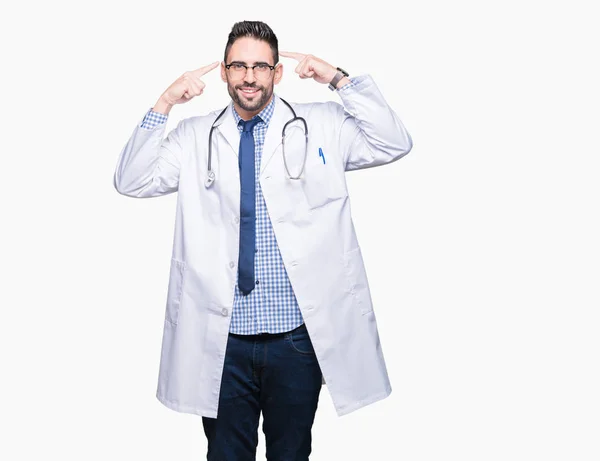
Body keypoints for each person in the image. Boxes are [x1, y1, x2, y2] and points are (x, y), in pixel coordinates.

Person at [113, 19, 413, 461]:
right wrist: (164, 103)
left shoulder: (323, 125)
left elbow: (393, 141)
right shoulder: (195, 136)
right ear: (223, 72)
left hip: (295, 340)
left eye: (260, 66)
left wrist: (337, 79)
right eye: (239, 65)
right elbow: (131, 180)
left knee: (290, 454)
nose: (249, 76)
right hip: (224, 340)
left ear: (277, 73)